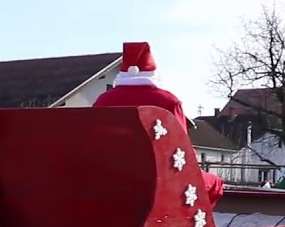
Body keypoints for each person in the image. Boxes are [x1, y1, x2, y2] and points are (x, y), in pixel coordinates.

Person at [93, 41, 225, 204]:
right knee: (215, 183)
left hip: (112, 175)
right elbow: (181, 148)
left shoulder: (103, 100)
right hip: (160, 176)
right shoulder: (168, 101)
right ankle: (196, 225)